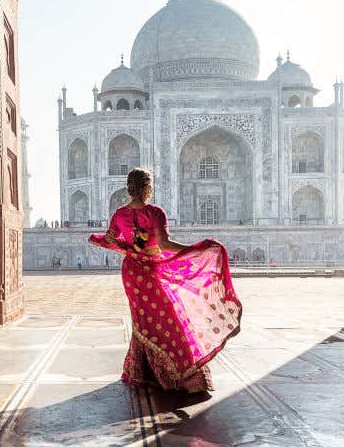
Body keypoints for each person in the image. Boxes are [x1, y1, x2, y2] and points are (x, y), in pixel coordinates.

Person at [89, 167, 241, 393]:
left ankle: (142, 371)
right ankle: (179, 373)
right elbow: (165, 244)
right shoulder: (154, 212)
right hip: (150, 269)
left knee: (143, 320)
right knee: (168, 316)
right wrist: (194, 249)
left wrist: (129, 249)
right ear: (148, 188)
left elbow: (111, 239)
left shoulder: (119, 214)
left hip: (132, 272)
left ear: (130, 188)